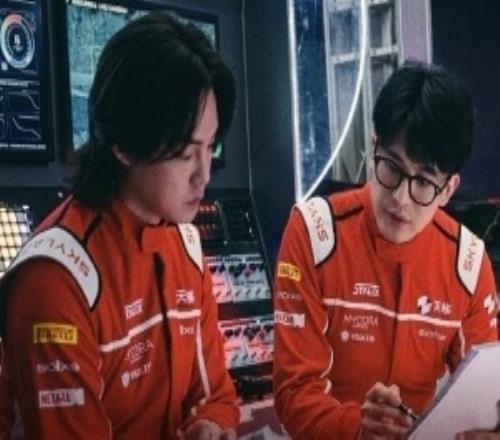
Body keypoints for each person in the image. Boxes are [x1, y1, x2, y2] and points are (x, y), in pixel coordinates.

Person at [0, 12, 238, 439]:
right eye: (186, 153)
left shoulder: (185, 246)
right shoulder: (56, 280)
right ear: (124, 145)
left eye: (211, 147)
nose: (204, 174)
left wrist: (210, 424)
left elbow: (215, 394)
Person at [273, 61, 499, 439]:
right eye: (392, 167)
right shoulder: (313, 233)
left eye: (423, 182)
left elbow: (485, 394)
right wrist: (357, 429)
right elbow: (293, 393)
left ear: (448, 190)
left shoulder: (469, 263)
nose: (400, 199)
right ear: (374, 146)